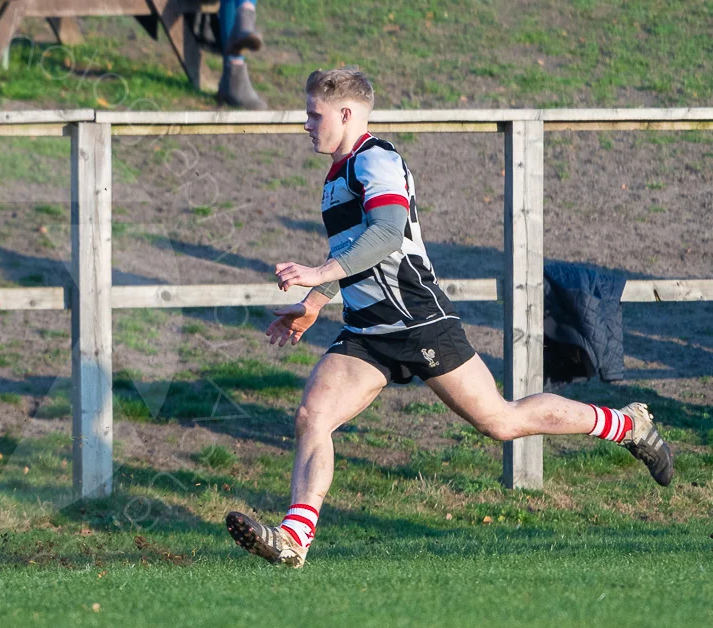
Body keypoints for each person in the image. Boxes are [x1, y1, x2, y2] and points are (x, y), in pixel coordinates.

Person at [224, 67, 675, 568]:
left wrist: (315, 272)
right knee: (313, 415)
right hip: (368, 332)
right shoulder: (336, 175)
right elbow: (353, 245)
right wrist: (312, 305)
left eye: (315, 114)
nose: (306, 124)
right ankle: (294, 539)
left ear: (346, 113)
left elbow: (387, 234)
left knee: (501, 421)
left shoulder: (377, 160)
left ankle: (625, 423)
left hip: (418, 322)